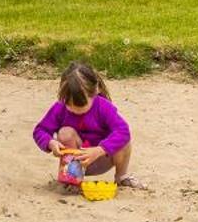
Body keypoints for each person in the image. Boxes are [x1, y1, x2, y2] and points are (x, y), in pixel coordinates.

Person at [32, 61, 143, 190]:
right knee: (65, 133)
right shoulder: (60, 108)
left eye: (81, 105)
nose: (75, 110)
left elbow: (123, 131)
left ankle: (121, 177)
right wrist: (50, 142)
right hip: (73, 163)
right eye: (69, 104)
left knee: (123, 140)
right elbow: (40, 130)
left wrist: (100, 150)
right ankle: (72, 180)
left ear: (95, 91)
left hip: (103, 158)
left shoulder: (103, 107)